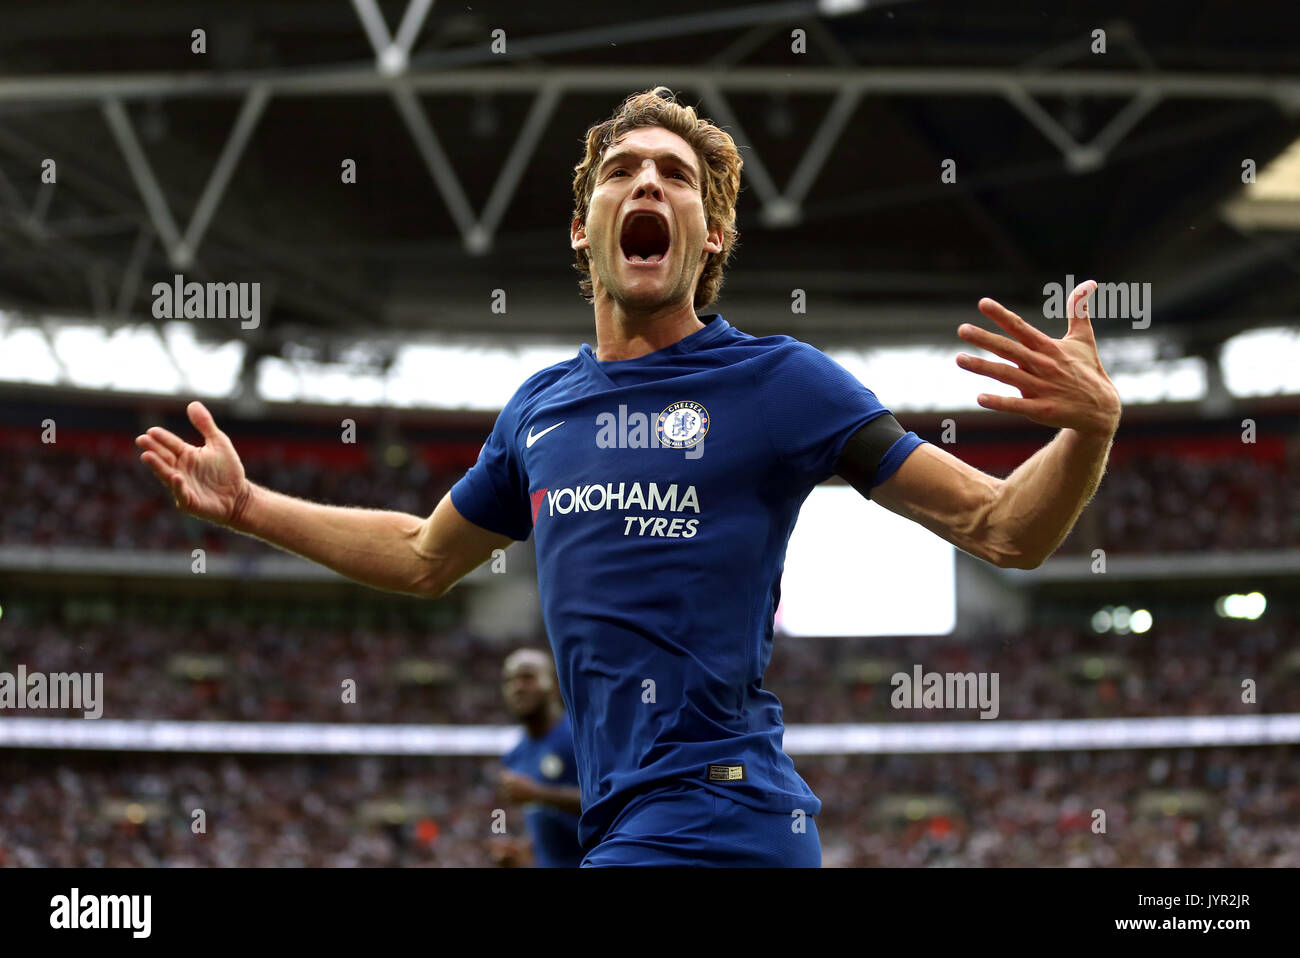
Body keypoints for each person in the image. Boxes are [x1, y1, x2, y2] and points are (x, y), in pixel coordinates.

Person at [136, 87, 1121, 867]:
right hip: (625, 822)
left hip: (719, 812)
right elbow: (422, 555)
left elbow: (1003, 530)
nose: (647, 184)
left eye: (676, 176)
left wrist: (1088, 429)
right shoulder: (537, 411)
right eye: (622, 170)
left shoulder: (784, 385)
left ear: (713, 235)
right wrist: (249, 505)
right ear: (583, 227)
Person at [496, 648, 583, 868]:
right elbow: (549, 820)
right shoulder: (515, 755)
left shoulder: (581, 739)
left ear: (553, 684)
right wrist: (525, 852)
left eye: (528, 677)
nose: (517, 687)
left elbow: (611, 803)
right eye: (509, 680)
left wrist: (538, 793)